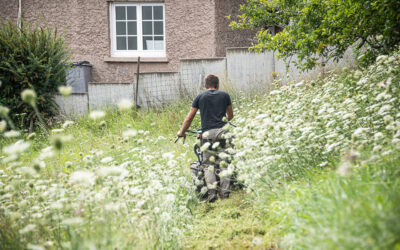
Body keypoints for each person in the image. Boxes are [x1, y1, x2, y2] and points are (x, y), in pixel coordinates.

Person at [177, 74, 234, 202]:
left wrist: (181, 132)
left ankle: (212, 194)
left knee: (208, 165)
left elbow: (189, 118)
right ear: (217, 85)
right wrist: (223, 121)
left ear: (205, 85)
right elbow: (230, 115)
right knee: (224, 162)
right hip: (222, 132)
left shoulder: (199, 97)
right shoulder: (225, 96)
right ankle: (225, 194)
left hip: (207, 134)